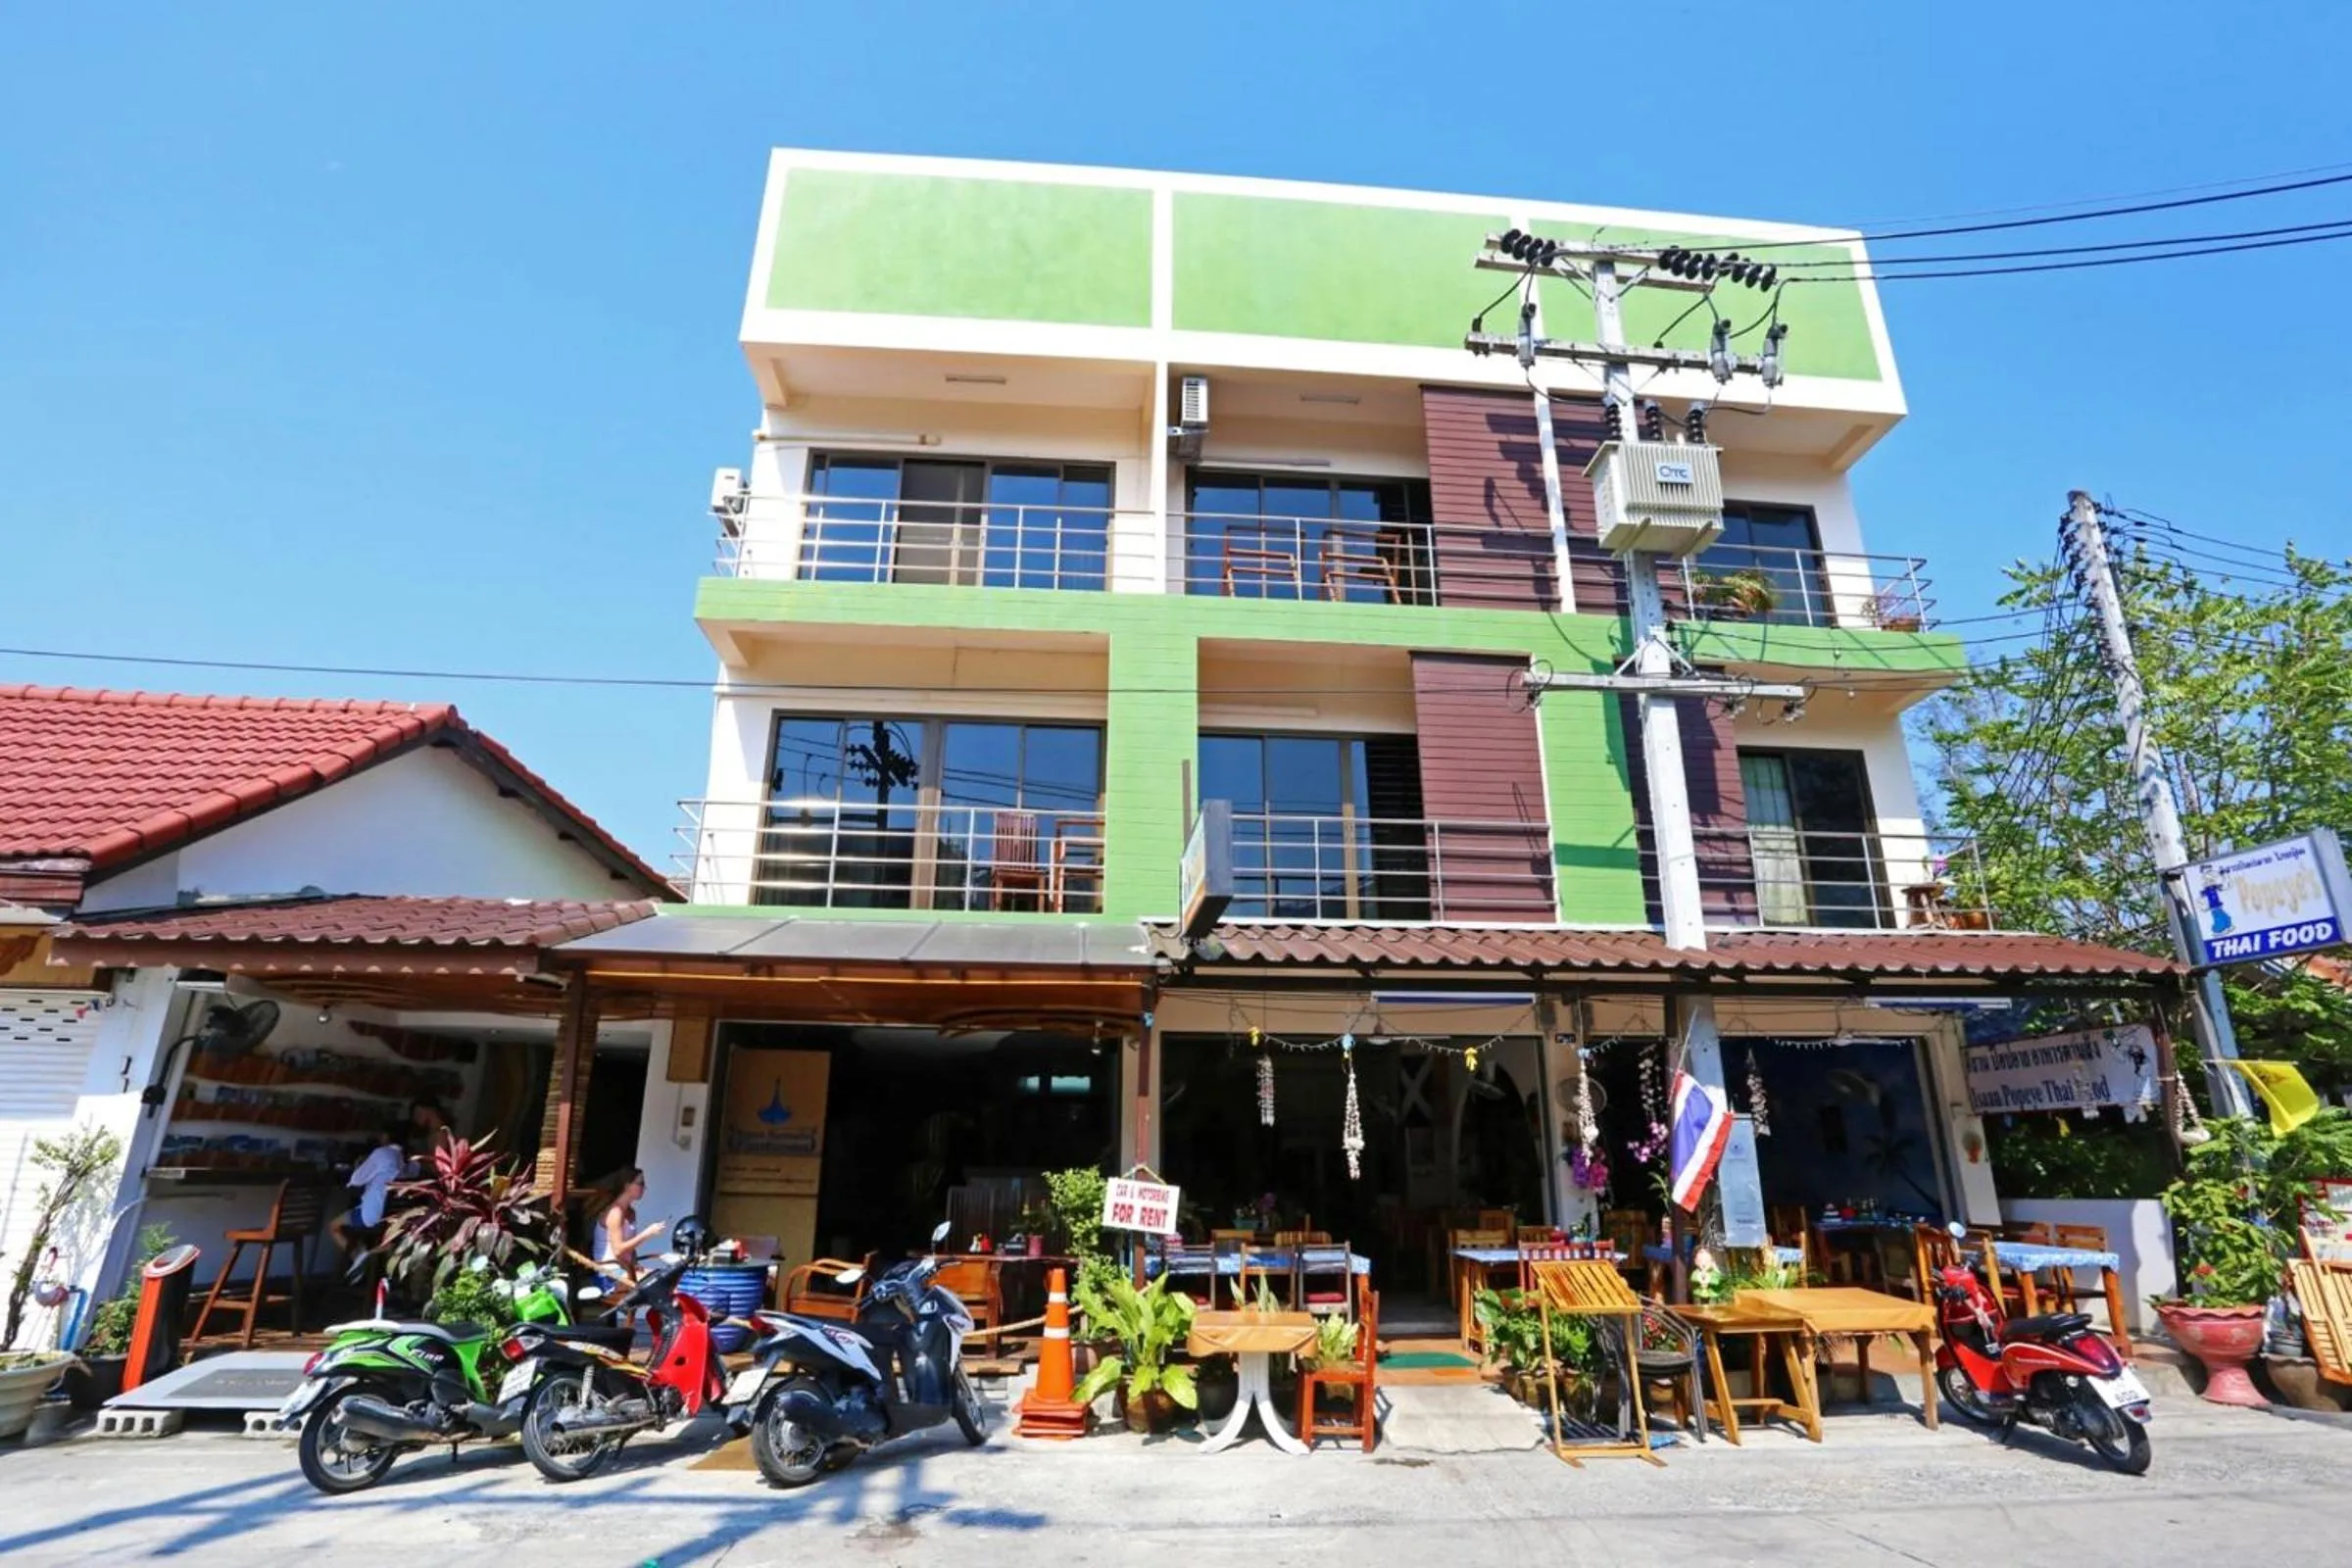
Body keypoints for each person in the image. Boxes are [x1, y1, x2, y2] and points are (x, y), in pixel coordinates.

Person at [330, 1124, 410, 1275]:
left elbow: (357, 1179)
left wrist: (360, 1164)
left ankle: (359, 1256)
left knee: (334, 1226)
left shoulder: (382, 1153)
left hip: (372, 1215)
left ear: (386, 1136)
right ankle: (365, 1254)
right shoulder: (405, 1159)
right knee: (386, 1242)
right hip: (391, 1220)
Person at [595, 1167, 666, 1284]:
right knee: (657, 1283)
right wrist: (648, 1233)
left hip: (627, 1269)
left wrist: (635, 1263)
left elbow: (630, 1247)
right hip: (610, 1273)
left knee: (664, 1278)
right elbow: (618, 1250)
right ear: (627, 1186)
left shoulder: (631, 1212)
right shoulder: (615, 1213)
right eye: (640, 1183)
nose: (644, 1188)